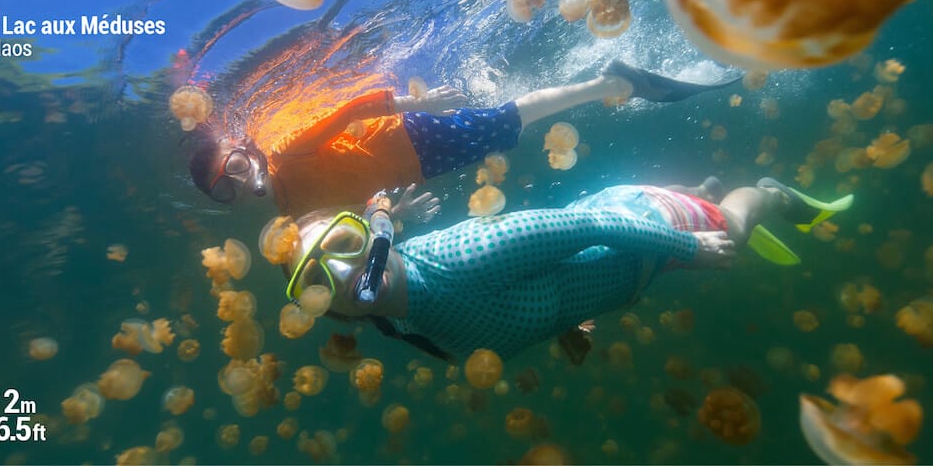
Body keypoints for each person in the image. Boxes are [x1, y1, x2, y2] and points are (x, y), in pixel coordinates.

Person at [276, 177, 854, 362]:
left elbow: (591, 226)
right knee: (702, 217)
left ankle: (766, 196)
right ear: (335, 312)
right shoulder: (408, 327)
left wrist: (694, 247)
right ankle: (697, 189)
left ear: (367, 235)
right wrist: (565, 325)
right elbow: (505, 311)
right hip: (636, 270)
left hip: (643, 227)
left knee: (733, 227)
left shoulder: (462, 256)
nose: (344, 271)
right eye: (318, 281)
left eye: (345, 243)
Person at [189, 60, 740, 220]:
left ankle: (610, 82)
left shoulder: (284, 150)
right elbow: (354, 205)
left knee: (505, 121)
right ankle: (607, 82)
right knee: (504, 128)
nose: (239, 180)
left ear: (243, 149)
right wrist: (394, 213)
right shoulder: (289, 212)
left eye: (233, 165)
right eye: (225, 189)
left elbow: (346, 112)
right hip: (416, 169)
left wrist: (418, 102)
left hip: (408, 134)